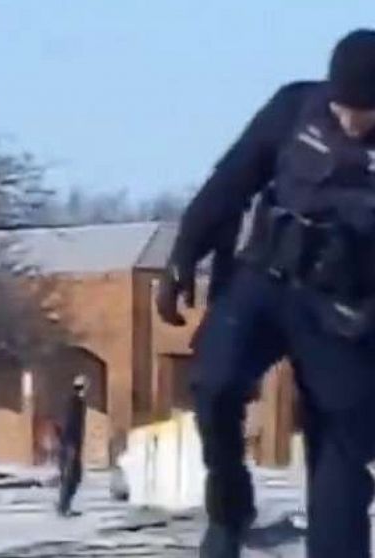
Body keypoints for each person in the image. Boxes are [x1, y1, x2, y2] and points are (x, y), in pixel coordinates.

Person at [156, 29, 375, 558]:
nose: (350, 122)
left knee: (341, 471)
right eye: (343, 108)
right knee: (213, 383)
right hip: (265, 281)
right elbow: (231, 181)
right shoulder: (295, 107)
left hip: (344, 314)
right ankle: (230, 508)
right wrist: (185, 255)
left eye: (363, 113)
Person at [57, 374, 88, 517]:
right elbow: (70, 424)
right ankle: (64, 506)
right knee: (71, 476)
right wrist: (71, 445)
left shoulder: (76, 402)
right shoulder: (75, 403)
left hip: (71, 443)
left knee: (73, 476)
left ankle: (65, 505)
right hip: (71, 444)